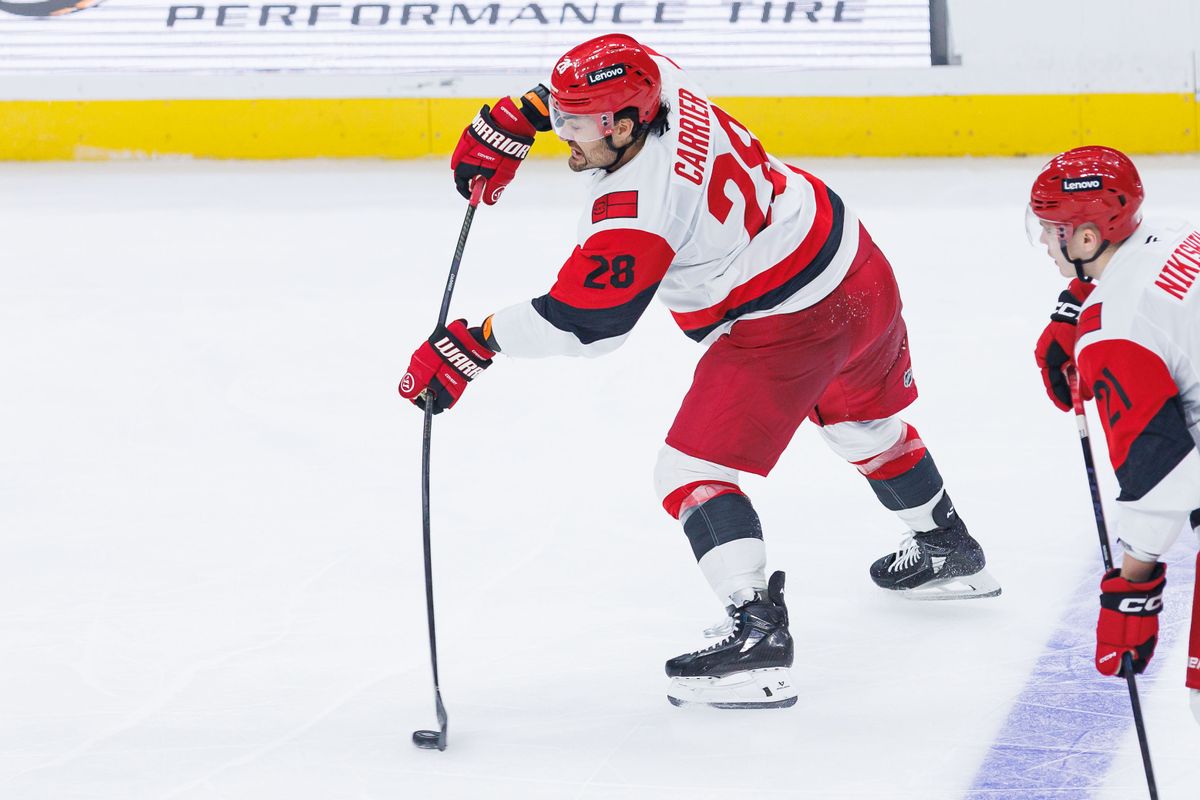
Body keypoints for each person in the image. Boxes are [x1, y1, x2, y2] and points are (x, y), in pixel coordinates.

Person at [399, 34, 1000, 709]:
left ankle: (756, 638)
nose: (564, 134)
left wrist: (475, 343)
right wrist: (523, 112)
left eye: (578, 124)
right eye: (561, 117)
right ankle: (946, 542)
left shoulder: (633, 212)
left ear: (625, 125)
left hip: (787, 320)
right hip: (852, 261)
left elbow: (586, 326)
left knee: (690, 474)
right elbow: (608, 80)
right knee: (861, 423)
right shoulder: (660, 78)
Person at [1029, 145, 1200, 723]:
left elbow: (1163, 478)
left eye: (1052, 231)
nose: (1046, 245)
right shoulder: (1179, 233)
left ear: (1084, 240)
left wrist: (1134, 588)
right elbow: (1153, 291)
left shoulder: (1114, 335)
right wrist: (1077, 307)